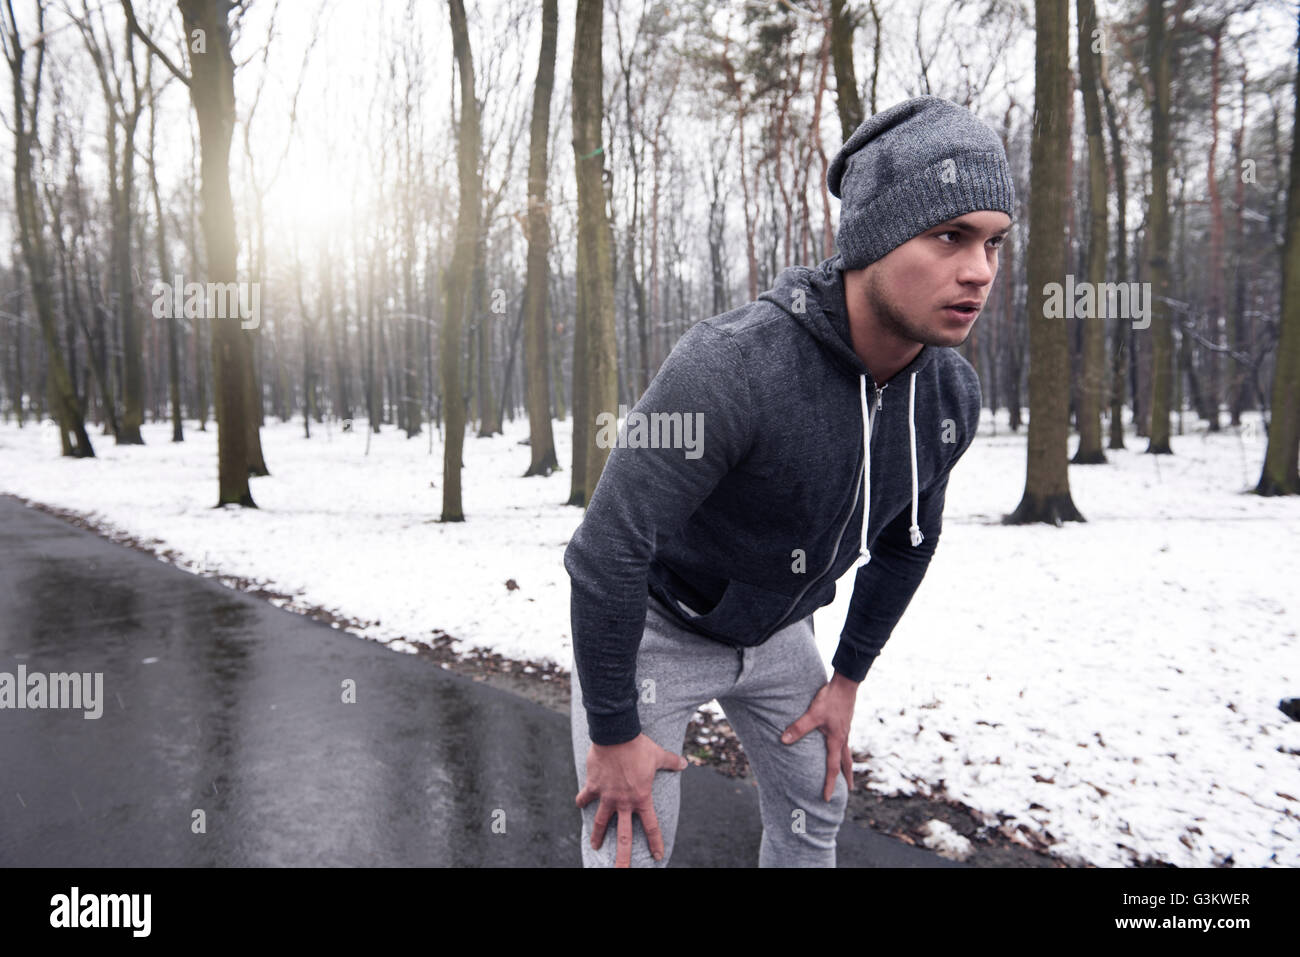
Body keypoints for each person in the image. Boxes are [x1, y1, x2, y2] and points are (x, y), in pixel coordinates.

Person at [565, 95, 1015, 867]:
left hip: (781, 636)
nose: (979, 270)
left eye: (994, 243)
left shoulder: (950, 395)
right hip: (660, 630)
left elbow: (907, 545)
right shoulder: (731, 367)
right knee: (629, 847)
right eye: (950, 236)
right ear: (871, 238)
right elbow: (605, 552)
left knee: (819, 803)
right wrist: (612, 735)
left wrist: (846, 679)